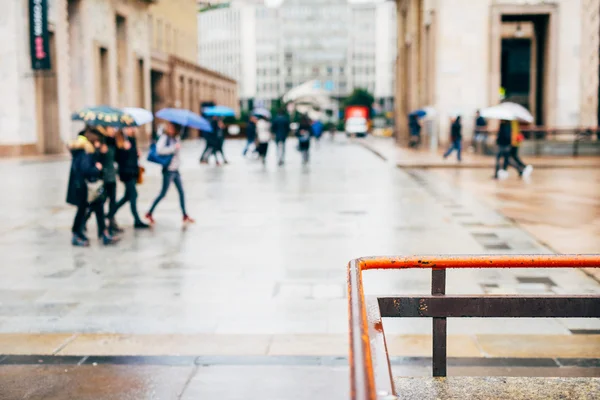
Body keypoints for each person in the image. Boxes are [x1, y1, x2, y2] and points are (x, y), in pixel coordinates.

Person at [66, 129, 119, 246]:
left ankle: (103, 234)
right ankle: (76, 234)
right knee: (82, 211)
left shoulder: (86, 151)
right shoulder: (85, 152)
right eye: (97, 141)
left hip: (87, 187)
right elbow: (86, 169)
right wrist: (97, 168)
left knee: (98, 208)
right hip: (84, 187)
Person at [146, 122, 195, 225]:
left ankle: (185, 215)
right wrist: (173, 148)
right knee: (163, 193)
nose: (170, 129)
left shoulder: (175, 138)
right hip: (168, 170)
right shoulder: (165, 137)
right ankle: (149, 212)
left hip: (175, 169)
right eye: (169, 127)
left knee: (181, 192)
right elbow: (159, 150)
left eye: (172, 128)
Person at [109, 128, 150, 229]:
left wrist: (137, 154)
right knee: (133, 195)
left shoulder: (131, 139)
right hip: (126, 172)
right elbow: (117, 158)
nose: (132, 129)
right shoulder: (118, 140)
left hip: (133, 171)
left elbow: (133, 158)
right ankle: (137, 220)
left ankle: (110, 213)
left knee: (128, 196)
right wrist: (123, 149)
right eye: (129, 127)